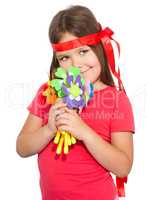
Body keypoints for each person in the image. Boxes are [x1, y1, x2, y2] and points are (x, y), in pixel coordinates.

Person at [16, 5, 135, 200]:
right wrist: (49, 129)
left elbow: (123, 167)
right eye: (65, 57)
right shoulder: (47, 93)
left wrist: (84, 132)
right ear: (57, 61)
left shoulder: (116, 100)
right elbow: (22, 147)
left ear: (100, 47)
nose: (76, 65)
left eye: (83, 52)